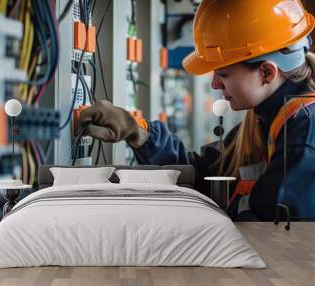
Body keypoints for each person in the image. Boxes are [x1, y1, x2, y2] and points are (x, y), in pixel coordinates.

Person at [79, 0, 315, 221]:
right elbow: (204, 175)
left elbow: (277, 234)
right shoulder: (268, 121)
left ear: (266, 72)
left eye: (223, 74)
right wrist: (138, 133)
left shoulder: (303, 137)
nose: (214, 84)